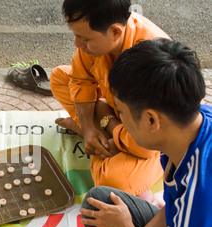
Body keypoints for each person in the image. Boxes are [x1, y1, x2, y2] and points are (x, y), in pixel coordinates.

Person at [75, 38, 212, 227]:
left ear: (151, 120)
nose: (118, 121)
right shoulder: (196, 123)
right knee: (100, 202)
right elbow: (173, 211)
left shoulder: (201, 192)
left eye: (122, 113)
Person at [51, 0, 170, 200]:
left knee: (111, 182)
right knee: (59, 77)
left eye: (84, 38)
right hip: (120, 116)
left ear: (115, 32)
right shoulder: (101, 34)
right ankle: (94, 135)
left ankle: (101, 140)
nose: (78, 44)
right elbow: (80, 80)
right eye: (76, 35)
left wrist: (107, 121)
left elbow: (146, 144)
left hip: (152, 140)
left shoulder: (152, 63)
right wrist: (89, 126)